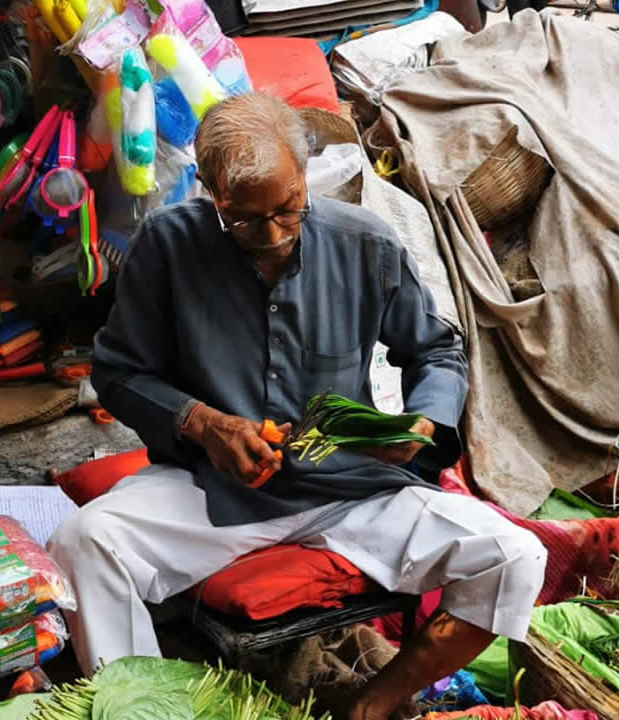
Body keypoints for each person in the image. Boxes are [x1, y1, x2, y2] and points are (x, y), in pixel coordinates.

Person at [48, 92, 546, 720]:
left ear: (305, 170)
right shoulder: (167, 245)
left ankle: (375, 701)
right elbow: (118, 372)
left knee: (513, 555)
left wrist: (420, 424)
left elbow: (437, 353)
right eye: (246, 221)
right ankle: (146, 708)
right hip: (217, 489)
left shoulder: (365, 242)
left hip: (352, 488)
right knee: (81, 542)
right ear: (209, 191)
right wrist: (203, 424)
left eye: (289, 208)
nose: (275, 236)